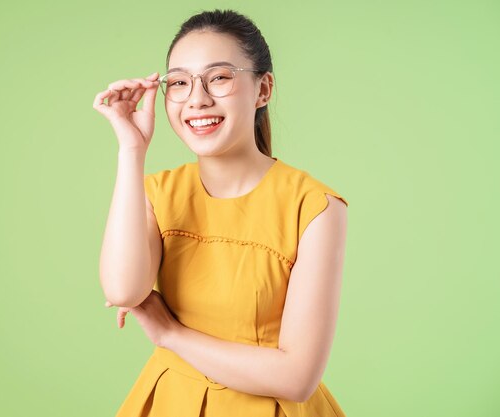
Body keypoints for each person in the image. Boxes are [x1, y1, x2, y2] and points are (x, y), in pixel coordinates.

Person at [94, 8, 349, 417]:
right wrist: (132, 149)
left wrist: (170, 334)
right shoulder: (159, 192)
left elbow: (298, 378)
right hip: (170, 404)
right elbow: (123, 291)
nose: (197, 99)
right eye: (179, 82)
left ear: (263, 89)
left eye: (219, 77)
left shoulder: (315, 206)